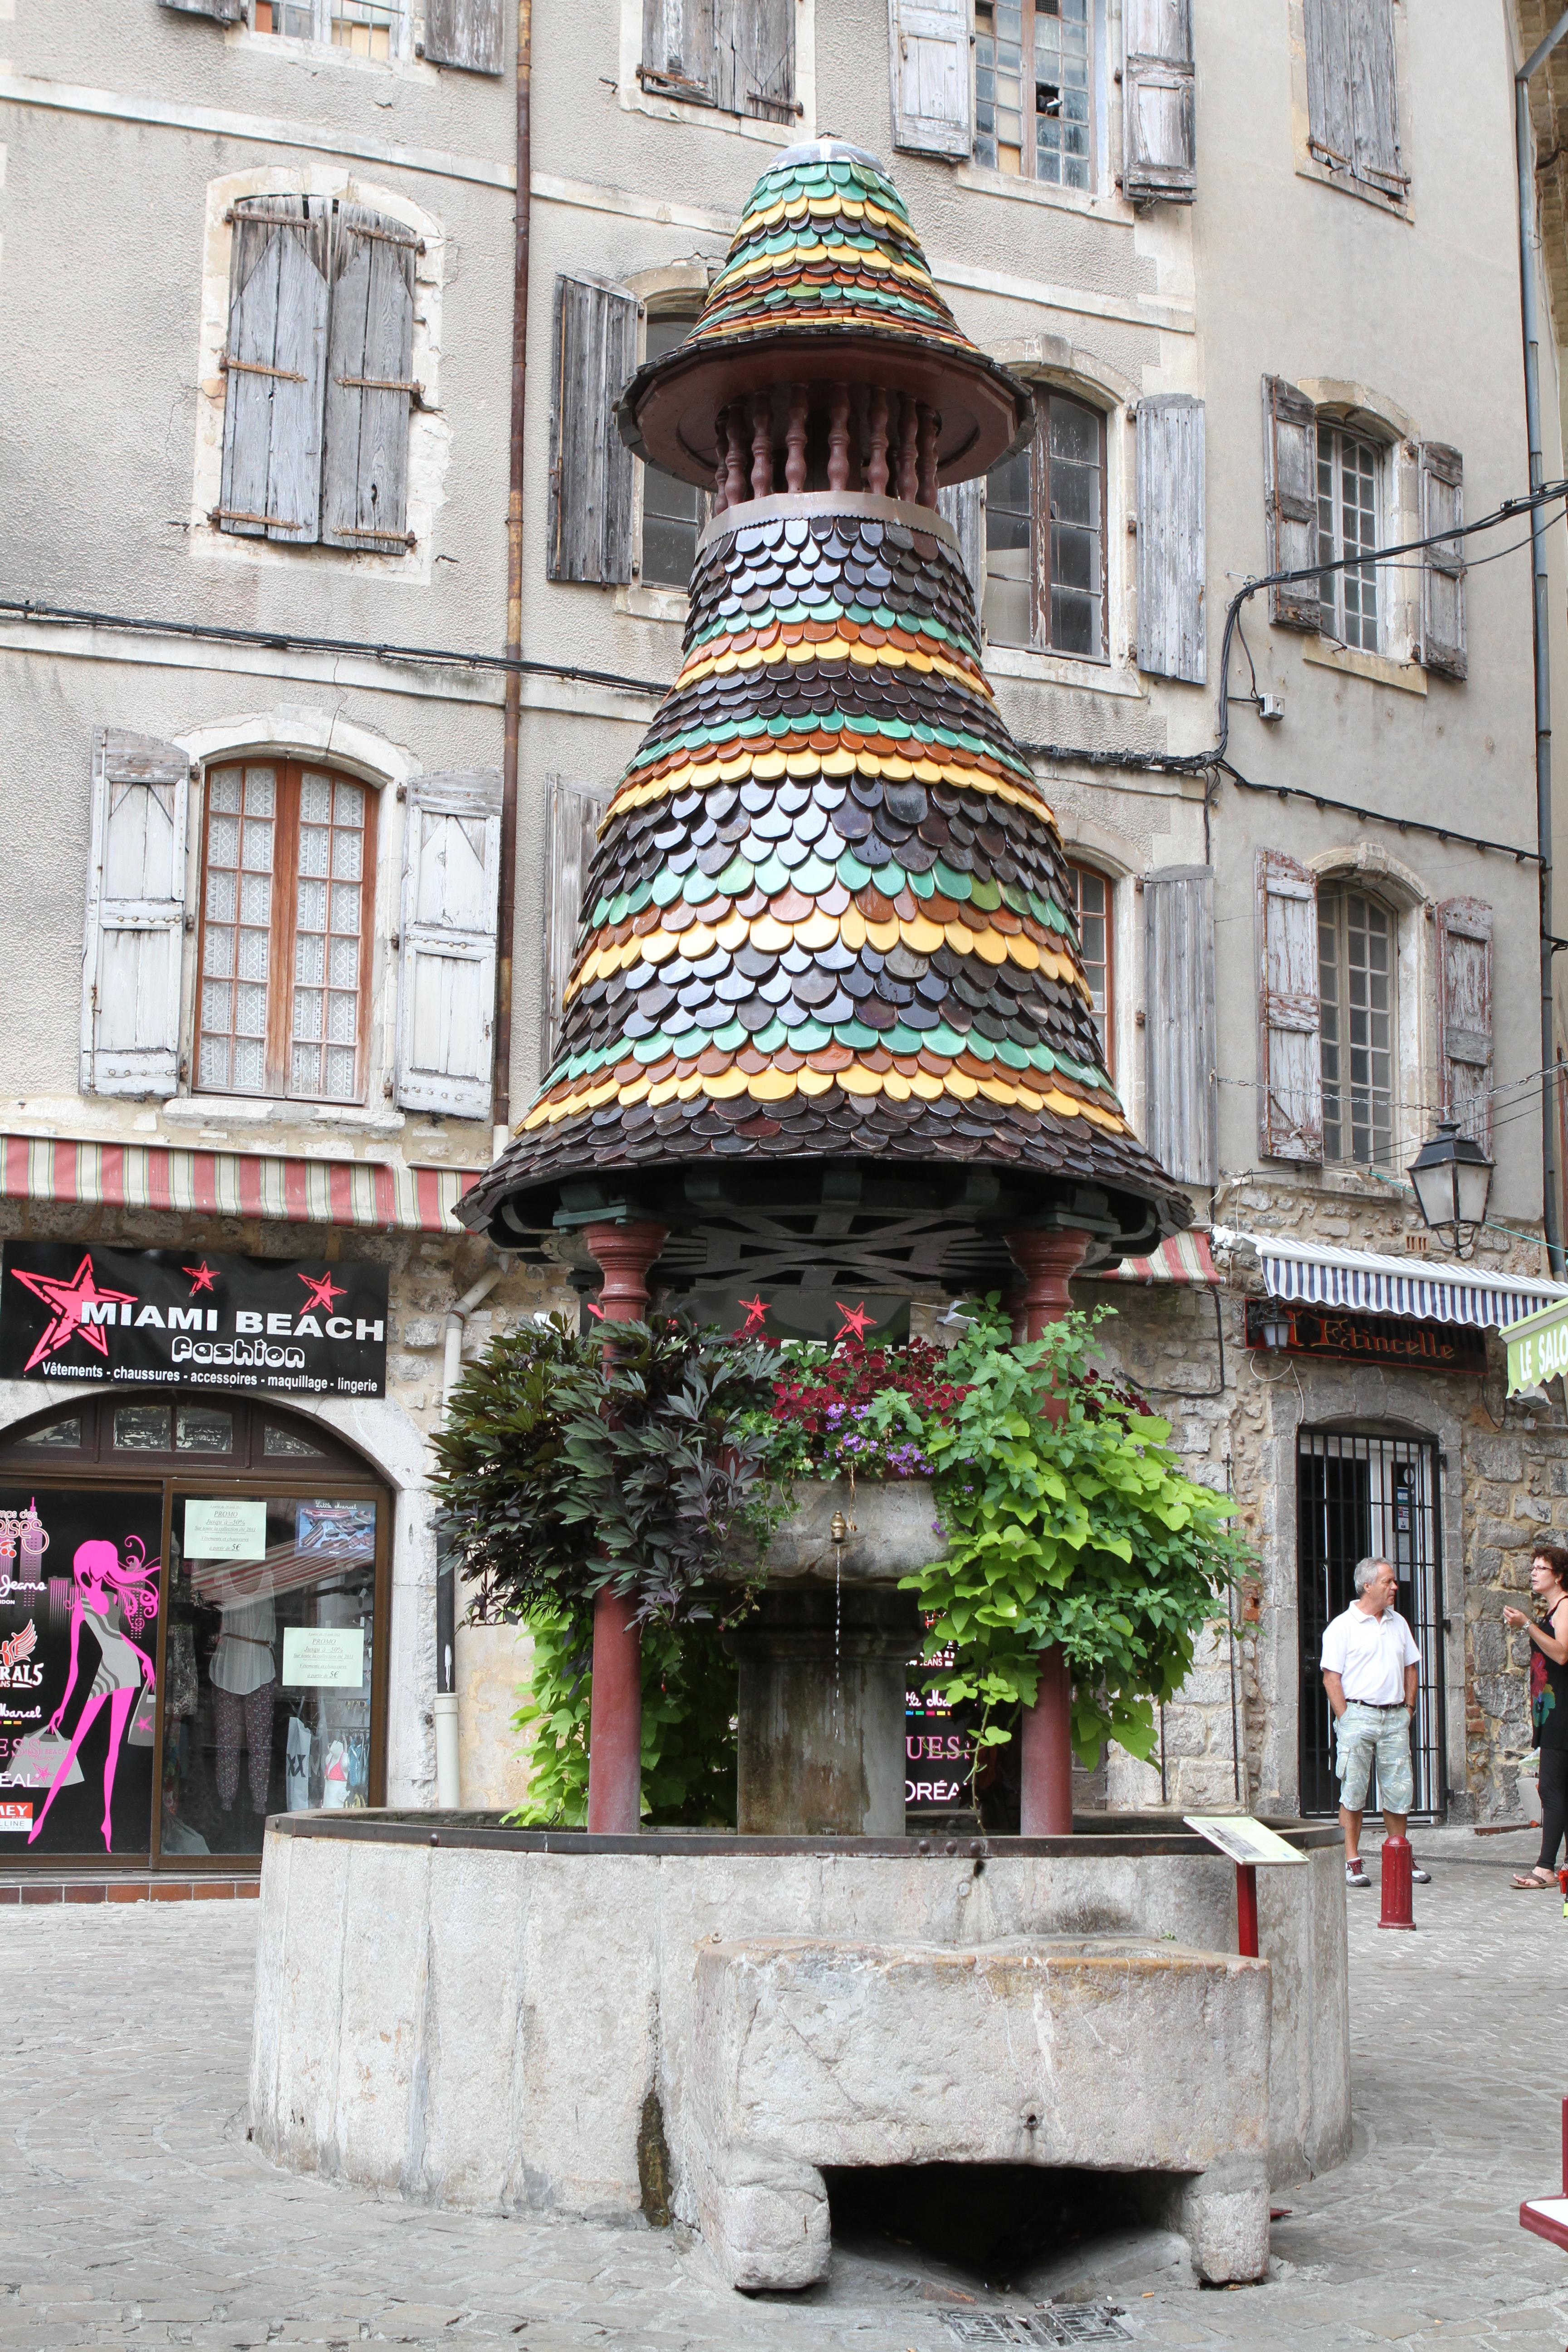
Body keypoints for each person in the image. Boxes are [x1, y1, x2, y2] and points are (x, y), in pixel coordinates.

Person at [1320, 1556, 1430, 1890]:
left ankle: (1400, 1855)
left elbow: (1411, 1668)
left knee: (1399, 1790)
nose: (1395, 1587)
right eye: (1388, 1582)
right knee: (1353, 1791)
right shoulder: (1342, 1626)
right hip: (1359, 1715)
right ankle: (1351, 1859)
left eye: (1394, 1581)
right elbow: (1331, 1678)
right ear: (1367, 1586)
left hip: (1395, 1716)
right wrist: (1346, 1718)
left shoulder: (1399, 1623)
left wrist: (1408, 1709)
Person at [1504, 1544, 1568, 1890]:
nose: (1533, 1572)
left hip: (1562, 1713)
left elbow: (1562, 1654)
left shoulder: (1565, 1606)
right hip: (1553, 1711)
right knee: (1561, 1789)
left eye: (1541, 1568)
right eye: (1533, 1567)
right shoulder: (1553, 1610)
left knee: (1552, 1789)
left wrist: (1527, 1624)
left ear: (1558, 1575)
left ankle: (1545, 1868)